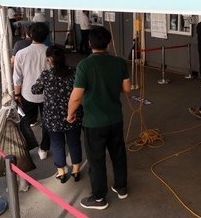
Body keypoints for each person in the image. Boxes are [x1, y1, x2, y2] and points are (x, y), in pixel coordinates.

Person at [67, 26, 131, 210]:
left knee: (96, 160)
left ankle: (98, 198)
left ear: (89, 44)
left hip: (94, 122)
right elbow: (127, 89)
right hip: (115, 119)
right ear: (109, 43)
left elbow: (76, 96)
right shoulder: (120, 63)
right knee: (118, 154)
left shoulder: (84, 65)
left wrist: (70, 114)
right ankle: (121, 187)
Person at [32, 46, 83, 184]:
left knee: (57, 144)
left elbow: (35, 90)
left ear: (49, 59)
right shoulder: (74, 71)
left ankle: (61, 172)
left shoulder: (46, 75)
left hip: (53, 116)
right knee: (74, 142)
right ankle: (76, 170)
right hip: (73, 113)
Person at [13, 22, 51, 160]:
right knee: (47, 122)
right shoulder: (51, 52)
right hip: (48, 94)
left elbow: (17, 77)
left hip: (27, 93)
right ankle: (44, 148)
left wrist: (17, 94)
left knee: (25, 121)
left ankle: (26, 147)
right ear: (47, 35)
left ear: (30, 35)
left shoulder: (21, 53)